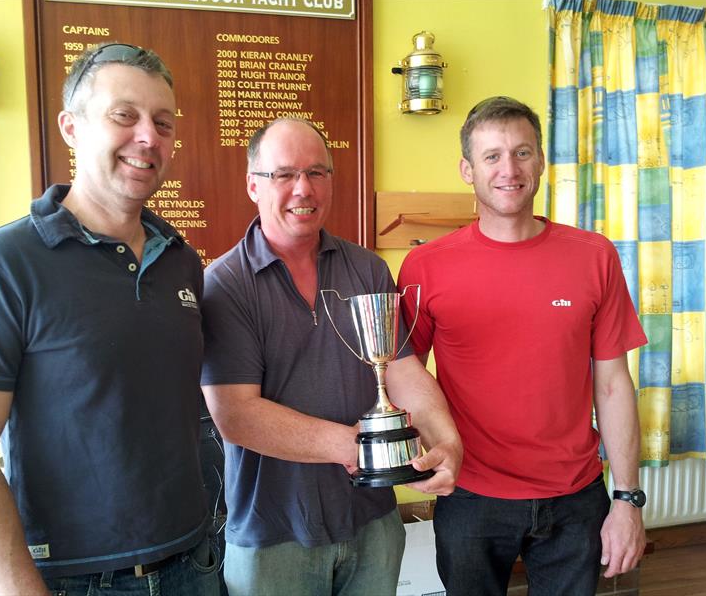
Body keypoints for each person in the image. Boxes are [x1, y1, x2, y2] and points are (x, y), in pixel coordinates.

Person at [0, 43, 220, 595]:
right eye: (123, 116)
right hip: (76, 581)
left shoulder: (181, 261)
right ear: (71, 127)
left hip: (194, 562)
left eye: (163, 122)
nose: (148, 137)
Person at [397, 96, 648, 596]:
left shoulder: (594, 255)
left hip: (576, 497)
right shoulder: (426, 267)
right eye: (491, 156)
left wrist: (627, 500)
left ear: (540, 161)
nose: (508, 169)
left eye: (522, 152)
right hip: (470, 496)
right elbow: (403, 371)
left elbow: (614, 384)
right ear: (467, 169)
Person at [200, 118, 463, 596]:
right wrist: (357, 448)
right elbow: (235, 415)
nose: (303, 188)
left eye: (317, 173)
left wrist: (447, 442)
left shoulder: (368, 269)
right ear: (253, 185)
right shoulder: (224, 284)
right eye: (284, 174)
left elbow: (402, 370)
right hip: (272, 536)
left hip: (373, 523)